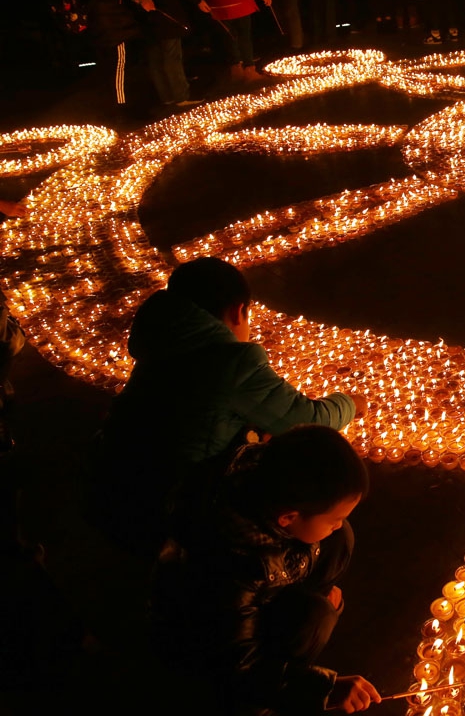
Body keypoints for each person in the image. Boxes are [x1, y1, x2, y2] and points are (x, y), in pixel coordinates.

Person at [91, 257, 365, 556]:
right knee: (333, 532)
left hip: (109, 484)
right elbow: (309, 420)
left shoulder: (163, 341)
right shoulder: (232, 361)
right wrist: (349, 403)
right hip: (168, 513)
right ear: (239, 311)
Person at [152, 425, 381, 713]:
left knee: (340, 536)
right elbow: (237, 665)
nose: (338, 522)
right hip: (207, 650)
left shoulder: (264, 474)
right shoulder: (228, 564)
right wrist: (323, 688)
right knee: (315, 616)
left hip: (262, 586)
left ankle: (309, 602)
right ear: (287, 518)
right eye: (334, 517)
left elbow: (321, 532)